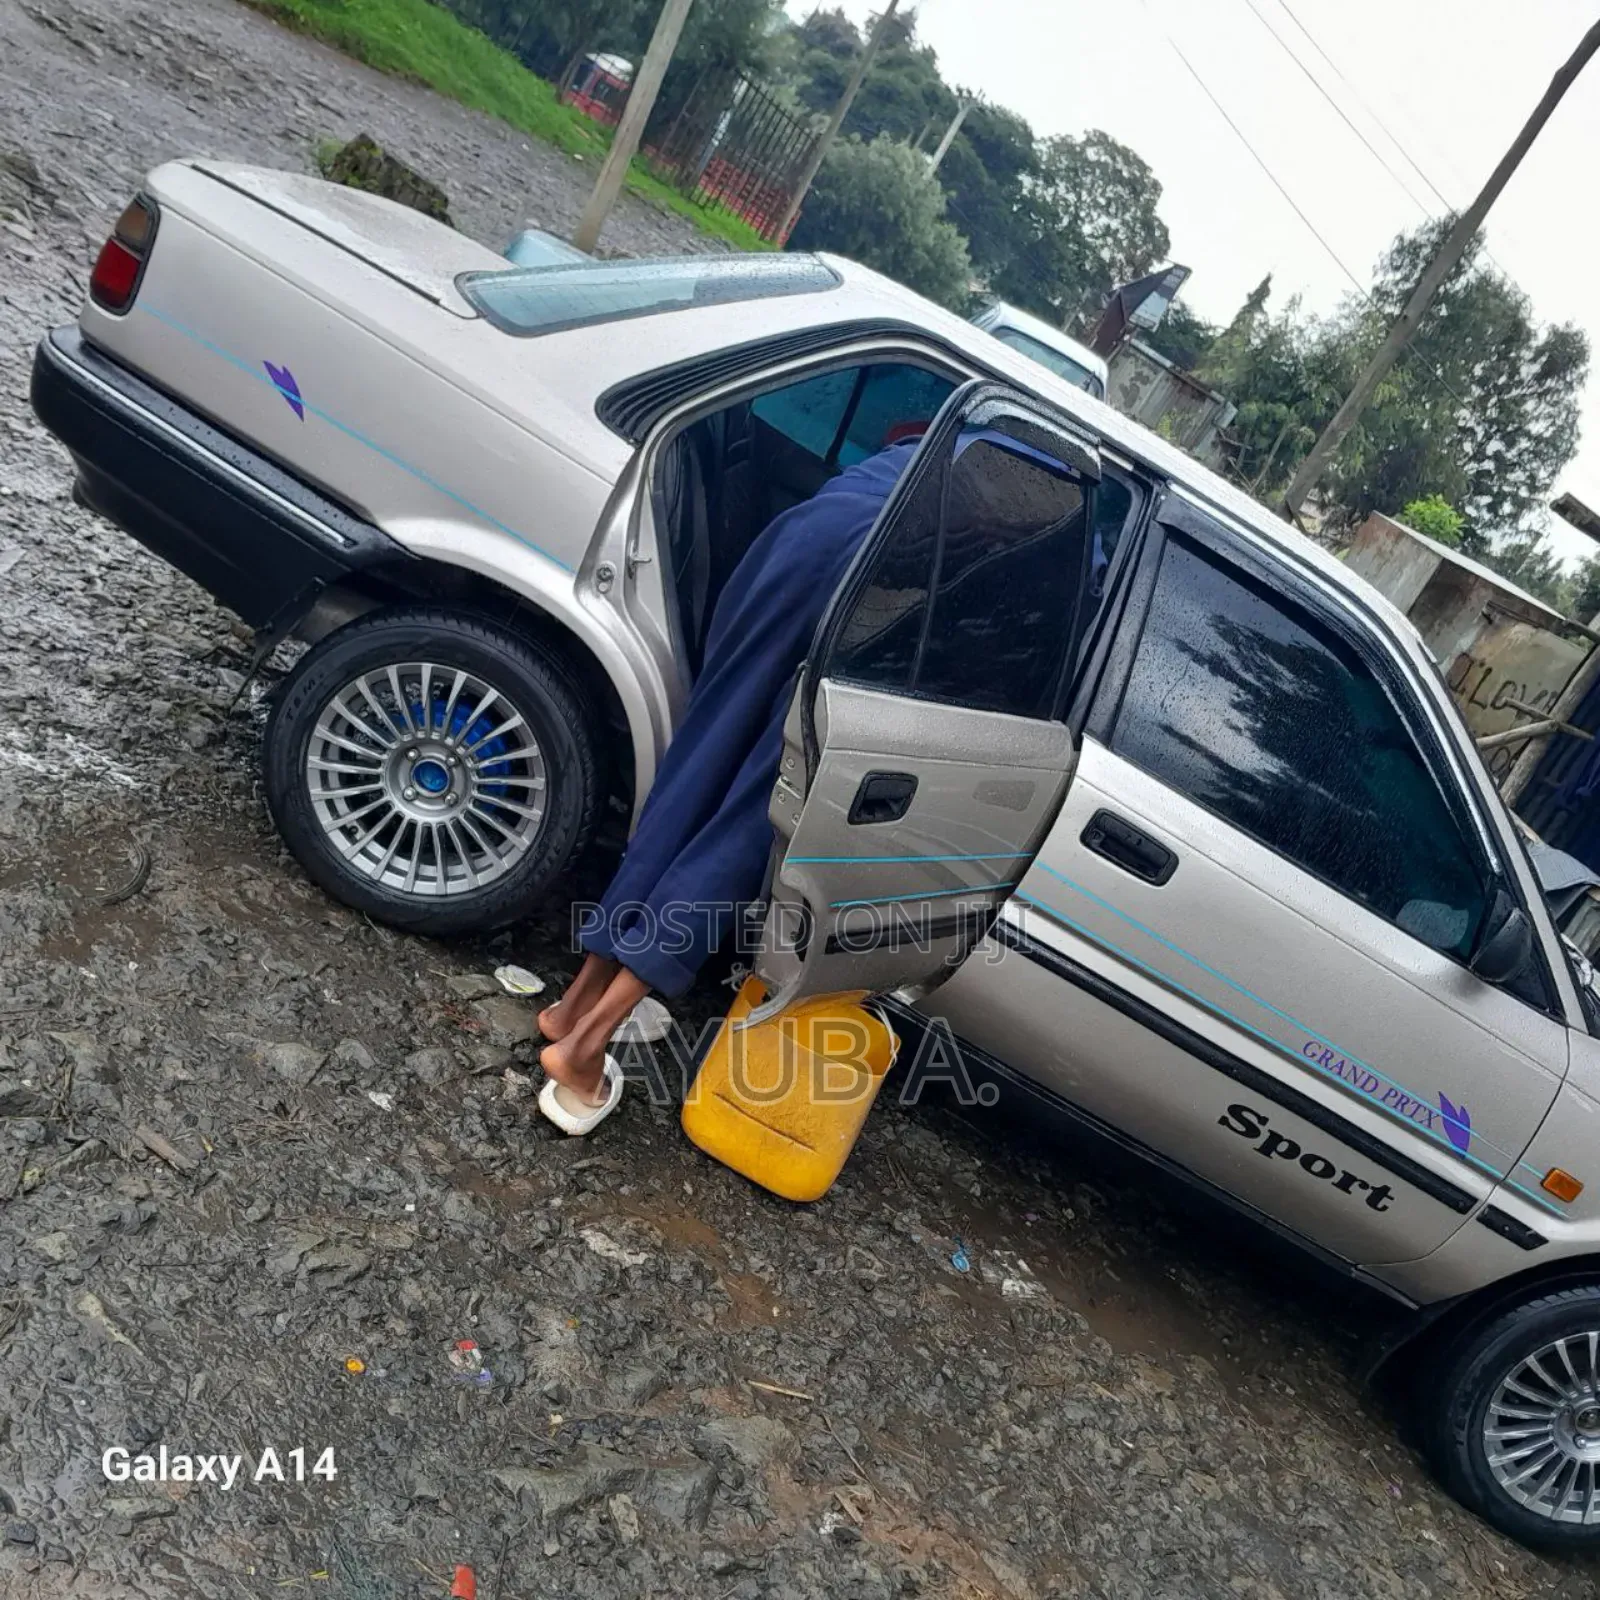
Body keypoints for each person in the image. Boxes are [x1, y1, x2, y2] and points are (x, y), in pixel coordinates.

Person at [535, 436, 922, 1134]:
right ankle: (585, 1048)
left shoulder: (929, 439)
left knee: (694, 772)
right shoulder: (1064, 490)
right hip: (864, 590)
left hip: (793, 547)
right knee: (748, 822)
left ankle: (573, 1004)